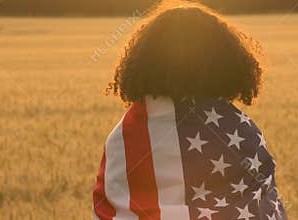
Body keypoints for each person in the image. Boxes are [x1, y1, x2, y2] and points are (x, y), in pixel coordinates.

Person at [93, 2, 286, 220]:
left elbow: (109, 209)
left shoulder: (124, 136)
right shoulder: (242, 130)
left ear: (145, 62)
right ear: (226, 63)